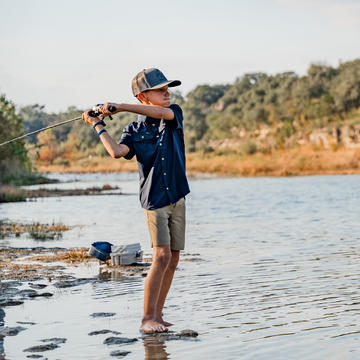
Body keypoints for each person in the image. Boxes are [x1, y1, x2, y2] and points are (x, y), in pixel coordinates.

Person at [82, 68, 190, 333]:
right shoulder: (133, 130)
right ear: (144, 95)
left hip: (177, 195)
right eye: (160, 89)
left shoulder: (173, 113)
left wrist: (120, 106)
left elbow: (162, 113)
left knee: (173, 259)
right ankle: (146, 320)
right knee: (161, 256)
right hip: (154, 200)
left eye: (168, 88)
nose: (167, 92)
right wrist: (97, 124)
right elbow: (117, 152)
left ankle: (158, 315)